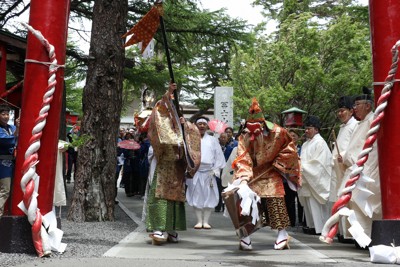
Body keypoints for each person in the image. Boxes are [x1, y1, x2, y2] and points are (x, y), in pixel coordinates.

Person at [229, 98, 301, 251]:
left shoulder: (279, 132)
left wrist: (279, 162)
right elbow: (243, 157)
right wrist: (243, 178)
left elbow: (290, 149)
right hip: (251, 173)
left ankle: (282, 233)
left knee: (275, 199)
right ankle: (244, 235)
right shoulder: (245, 136)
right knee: (244, 201)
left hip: (271, 171)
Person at [145, 82, 200, 245]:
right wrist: (168, 92)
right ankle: (159, 227)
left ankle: (172, 229)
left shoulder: (184, 125)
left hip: (177, 165)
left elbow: (193, 139)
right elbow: (160, 109)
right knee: (160, 195)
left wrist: (186, 127)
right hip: (163, 163)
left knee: (175, 198)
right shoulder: (161, 120)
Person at [340, 87, 381, 243]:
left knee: (363, 206)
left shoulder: (373, 121)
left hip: (366, 169)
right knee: (352, 206)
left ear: (368, 106)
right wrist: (344, 157)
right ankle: (360, 239)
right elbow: (353, 147)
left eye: (357, 104)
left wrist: (361, 168)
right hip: (355, 168)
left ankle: (367, 238)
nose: (354, 108)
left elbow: (373, 149)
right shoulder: (360, 123)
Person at [186, 116, 226, 229]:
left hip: (209, 172)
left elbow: (219, 156)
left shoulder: (213, 140)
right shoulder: (191, 139)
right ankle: (199, 221)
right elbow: (187, 155)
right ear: (196, 125)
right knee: (197, 195)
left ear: (207, 126)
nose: (202, 126)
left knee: (209, 195)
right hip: (196, 171)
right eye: (200, 124)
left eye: (204, 124)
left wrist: (215, 170)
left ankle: (206, 221)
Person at [298, 115, 332, 235]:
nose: (307, 131)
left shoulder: (320, 143)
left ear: (316, 129)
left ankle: (321, 227)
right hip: (307, 178)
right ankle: (311, 225)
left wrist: (302, 167)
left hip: (314, 178)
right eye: (306, 128)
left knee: (316, 204)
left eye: (309, 128)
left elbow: (319, 164)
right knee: (308, 204)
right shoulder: (306, 144)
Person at [330, 96, 357, 242]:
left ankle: (350, 233)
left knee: (348, 199)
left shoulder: (355, 126)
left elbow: (355, 147)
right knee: (341, 199)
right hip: (340, 168)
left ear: (351, 111)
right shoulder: (343, 127)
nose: (340, 114)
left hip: (349, 167)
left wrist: (345, 156)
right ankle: (343, 232)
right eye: (338, 111)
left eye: (343, 111)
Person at [0, 104, 19, 217]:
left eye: (7, 114)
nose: (6, 116)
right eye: (3, 114)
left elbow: (20, 135)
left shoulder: (11, 127)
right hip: (2, 162)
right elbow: (8, 140)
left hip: (10, 163)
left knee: (6, 190)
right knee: (5, 190)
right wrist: (18, 129)